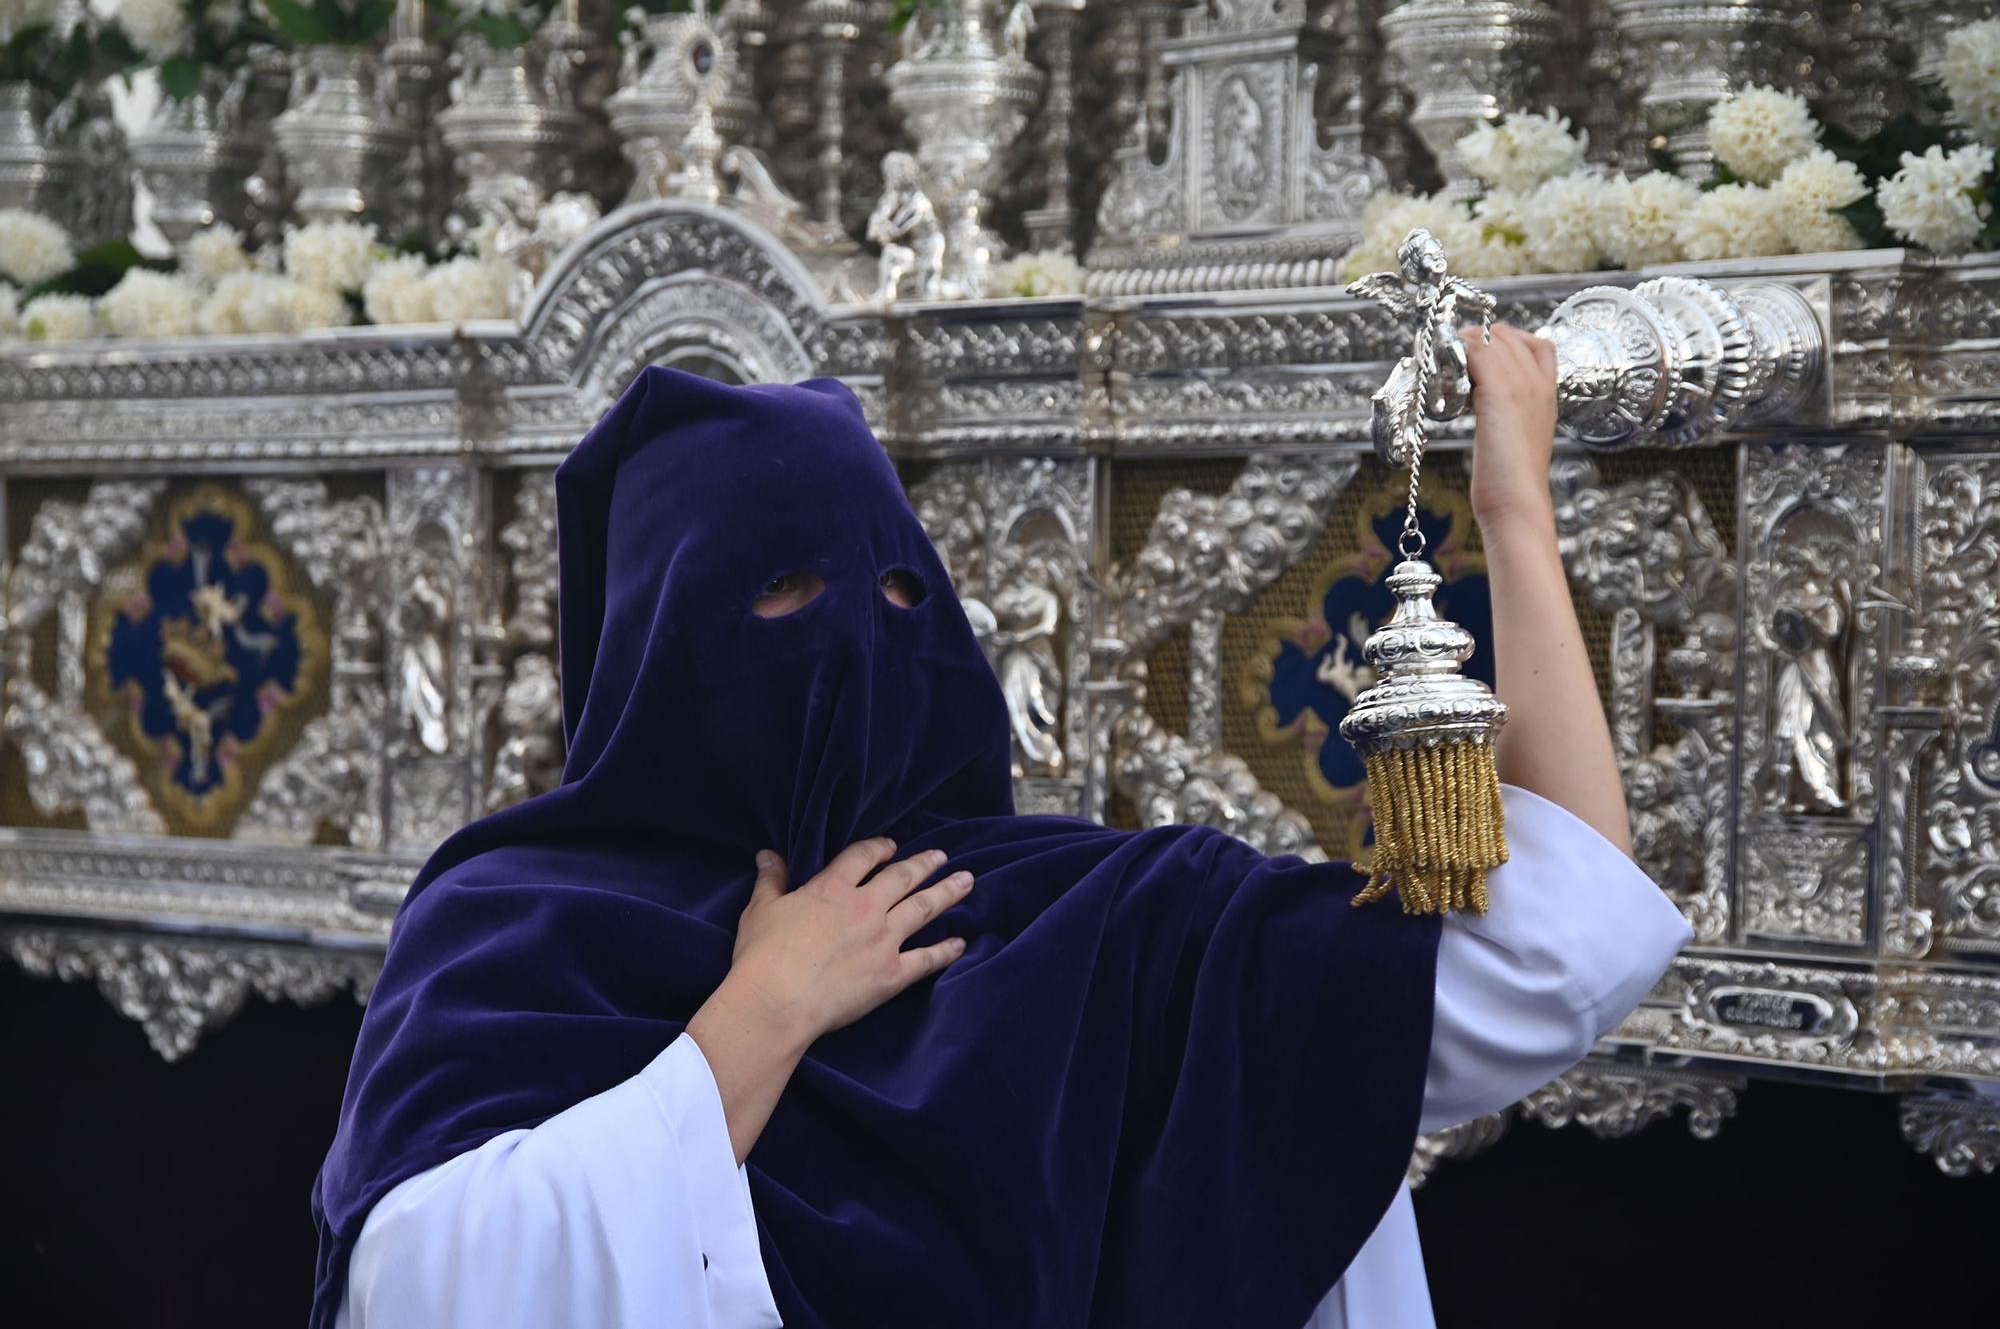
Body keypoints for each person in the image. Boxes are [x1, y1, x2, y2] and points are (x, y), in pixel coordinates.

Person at [310, 326, 1691, 1329]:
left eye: (897, 587)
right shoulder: (516, 929)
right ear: (661, 638)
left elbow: (1565, 937)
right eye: (782, 587)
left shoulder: (1106, 920)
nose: (857, 630)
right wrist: (755, 1020)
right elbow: (421, 1285)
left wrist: (1511, 510)